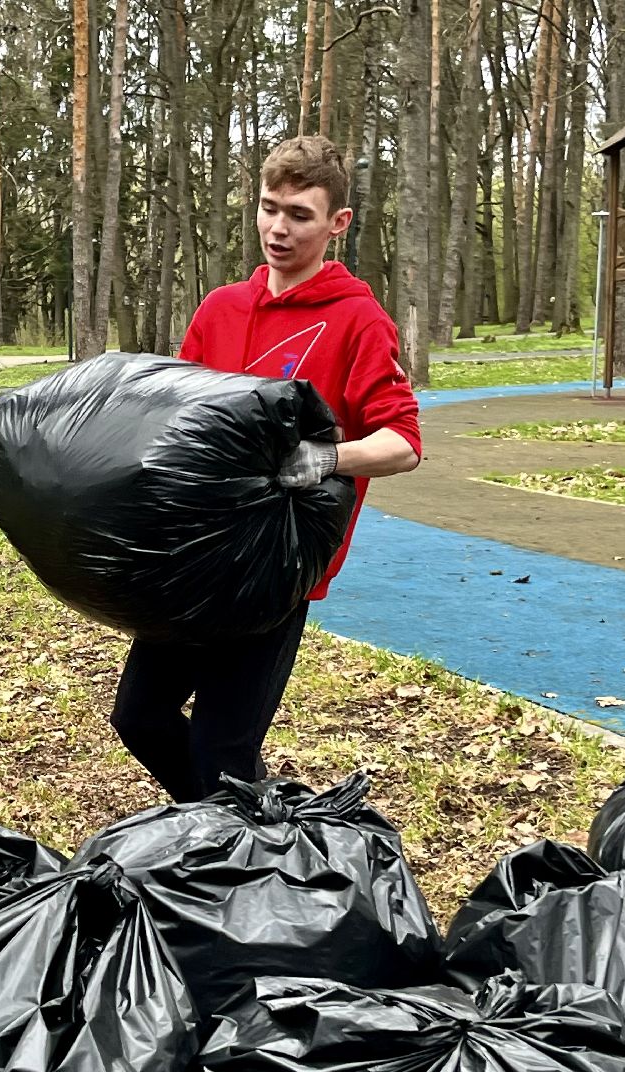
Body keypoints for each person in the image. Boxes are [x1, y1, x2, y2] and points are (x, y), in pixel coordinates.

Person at [108, 135, 423, 804]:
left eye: (300, 214)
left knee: (224, 746)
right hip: (194, 559)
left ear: (338, 222)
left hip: (276, 572)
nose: (279, 228)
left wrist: (322, 458)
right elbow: (178, 413)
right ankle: (244, 831)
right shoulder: (220, 308)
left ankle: (241, 853)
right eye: (268, 207)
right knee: (138, 718)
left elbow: (403, 442)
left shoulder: (358, 321)